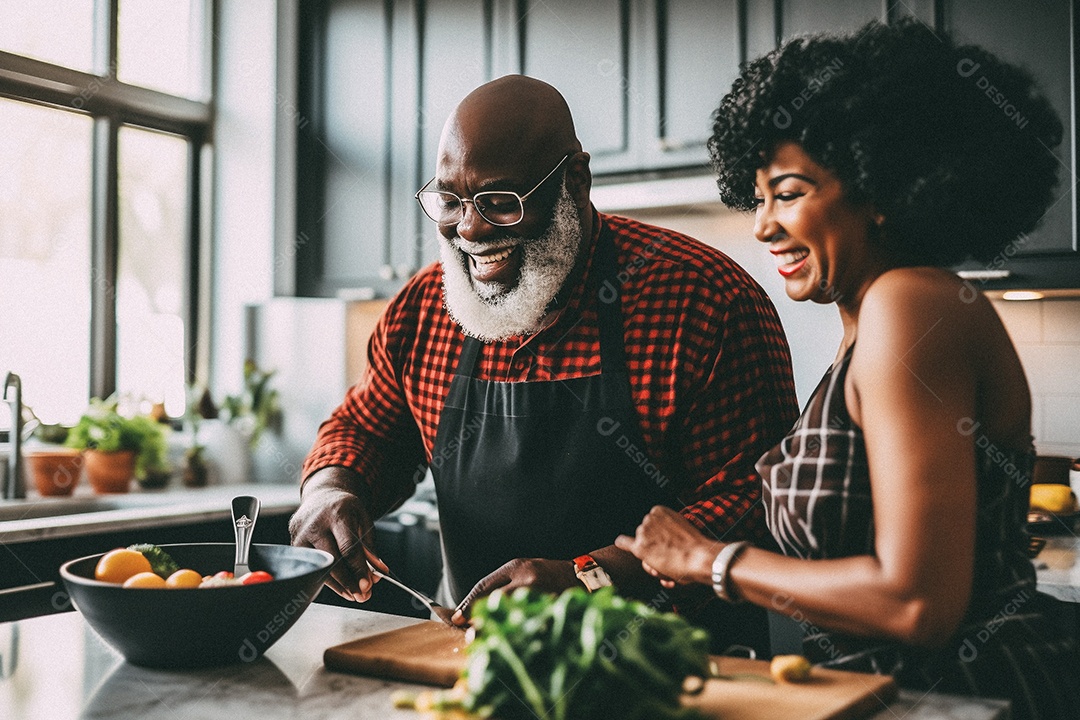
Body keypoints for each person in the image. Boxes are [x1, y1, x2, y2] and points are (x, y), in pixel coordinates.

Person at [615, 18, 1080, 719]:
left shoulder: (910, 304)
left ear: (883, 188)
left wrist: (708, 561)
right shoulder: (867, 327)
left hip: (964, 697)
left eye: (791, 193)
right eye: (761, 196)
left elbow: (916, 602)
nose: (762, 225)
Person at [288, 75, 798, 645]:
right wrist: (330, 489)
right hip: (480, 665)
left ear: (575, 181)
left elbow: (756, 501)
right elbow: (367, 429)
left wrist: (591, 578)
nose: (471, 229)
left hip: (676, 673)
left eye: (501, 203)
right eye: (450, 202)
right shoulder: (421, 310)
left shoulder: (702, 301)